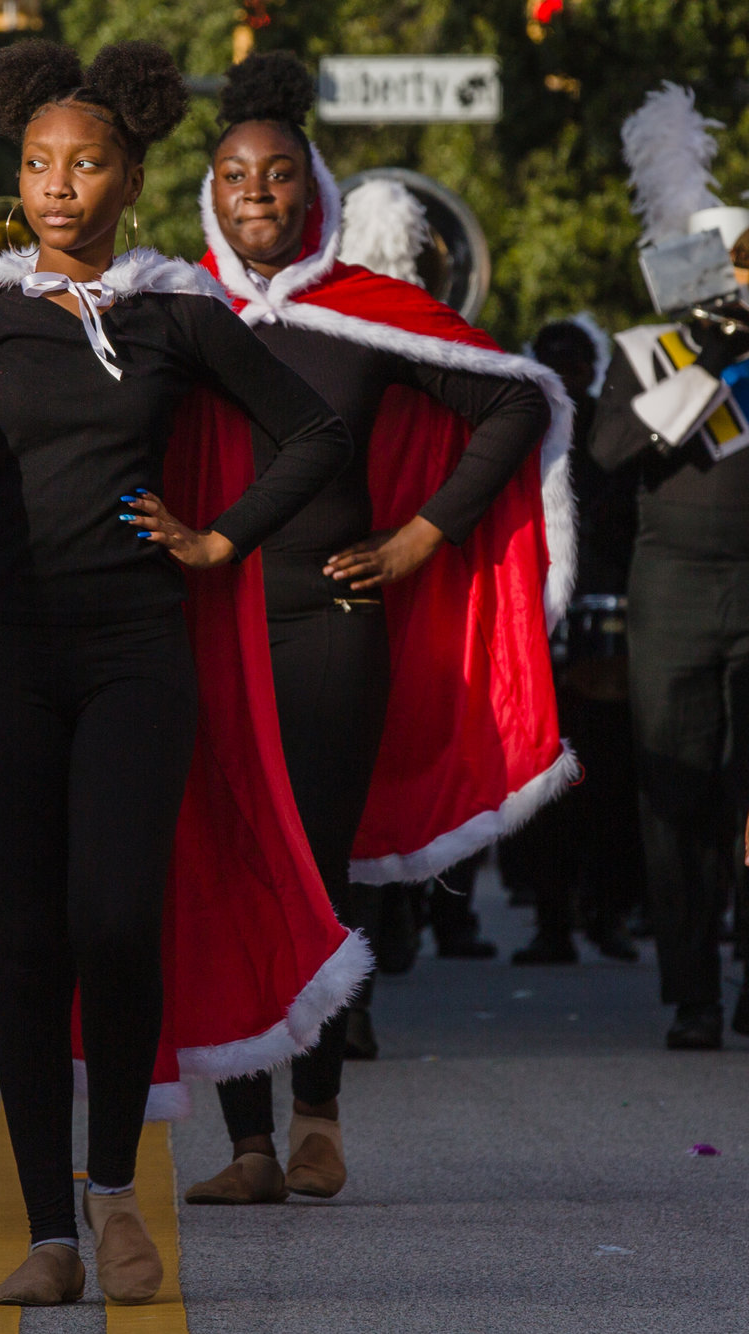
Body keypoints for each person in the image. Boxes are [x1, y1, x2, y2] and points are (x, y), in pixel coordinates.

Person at [0, 40, 357, 1306]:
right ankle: (50, 1230)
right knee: (31, 940)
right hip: (4, 653)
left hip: (136, 651)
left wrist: (219, 537)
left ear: (132, 177)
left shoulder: (176, 311)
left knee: (113, 916)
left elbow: (313, 430)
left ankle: (112, 1189)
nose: (55, 185)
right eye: (37, 163)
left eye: (84, 164)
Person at [177, 51, 567, 1206]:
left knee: (312, 863)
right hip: (203, 621)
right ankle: (245, 1142)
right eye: (235, 174)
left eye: (279, 174)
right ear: (208, 191)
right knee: (222, 857)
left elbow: (510, 397)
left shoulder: (362, 315)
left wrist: (418, 538)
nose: (256, 191)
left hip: (328, 621)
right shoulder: (169, 309)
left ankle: (316, 1114)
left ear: (312, 190)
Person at [590, 91, 749, 1047]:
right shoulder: (649, 349)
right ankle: (692, 989)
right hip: (677, 588)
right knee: (677, 790)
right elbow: (605, 454)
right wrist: (701, 361)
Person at [507, 317, 644, 965]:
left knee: (598, 779)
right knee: (562, 780)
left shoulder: (595, 429)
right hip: (551, 619)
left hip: (596, 622)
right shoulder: (526, 423)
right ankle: (567, 918)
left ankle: (586, 916)